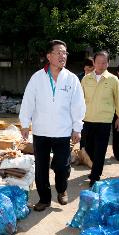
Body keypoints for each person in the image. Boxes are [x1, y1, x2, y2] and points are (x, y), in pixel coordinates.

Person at [19, 40, 86, 211]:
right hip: (41, 131)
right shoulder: (37, 78)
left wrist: (77, 128)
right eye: (59, 52)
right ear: (49, 56)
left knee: (62, 166)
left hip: (63, 131)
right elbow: (28, 101)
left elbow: (78, 105)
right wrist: (25, 124)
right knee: (41, 168)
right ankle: (44, 198)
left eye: (65, 53)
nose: (63, 56)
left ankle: (62, 189)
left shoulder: (71, 79)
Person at [81, 51, 119, 187]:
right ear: (93, 63)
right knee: (88, 149)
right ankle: (94, 169)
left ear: (108, 63)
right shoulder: (86, 79)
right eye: (98, 62)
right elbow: (79, 100)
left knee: (100, 150)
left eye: (104, 62)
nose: (101, 65)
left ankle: (95, 176)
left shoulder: (113, 79)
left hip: (104, 121)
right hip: (87, 120)